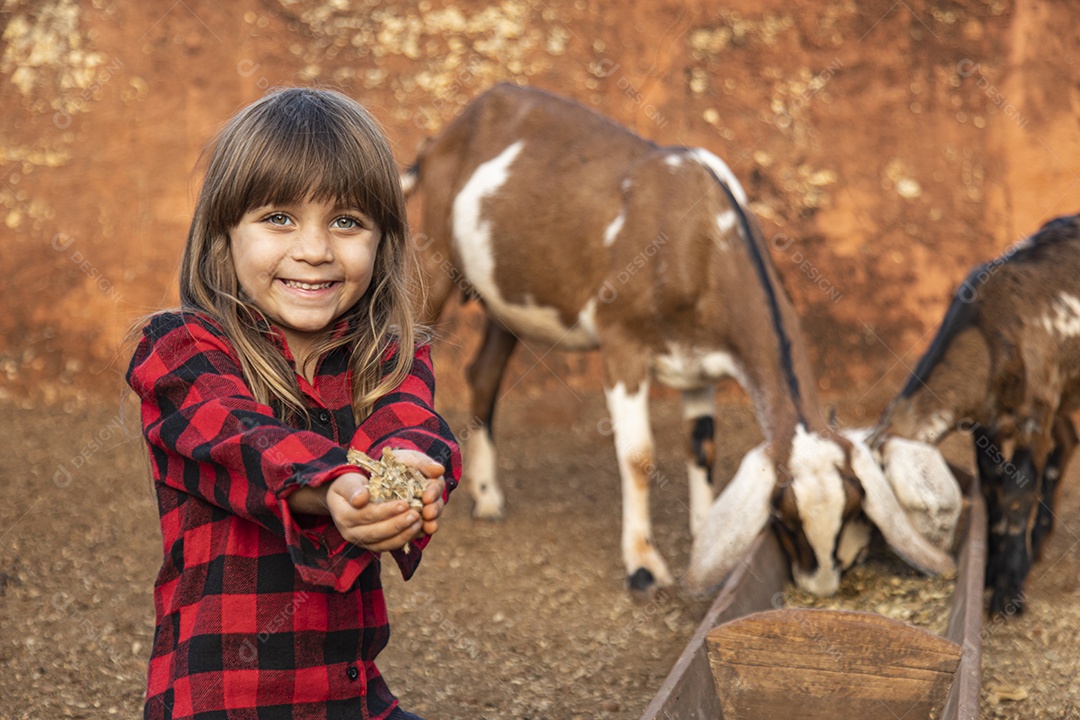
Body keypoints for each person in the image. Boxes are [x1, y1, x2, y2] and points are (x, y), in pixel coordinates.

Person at [126, 87, 460, 720]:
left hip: (351, 700)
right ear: (222, 236)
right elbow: (240, 438)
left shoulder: (388, 357)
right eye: (278, 217)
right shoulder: (180, 350)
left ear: (382, 242)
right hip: (224, 702)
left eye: (347, 221)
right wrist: (338, 484)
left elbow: (411, 426)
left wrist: (417, 474)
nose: (314, 250)